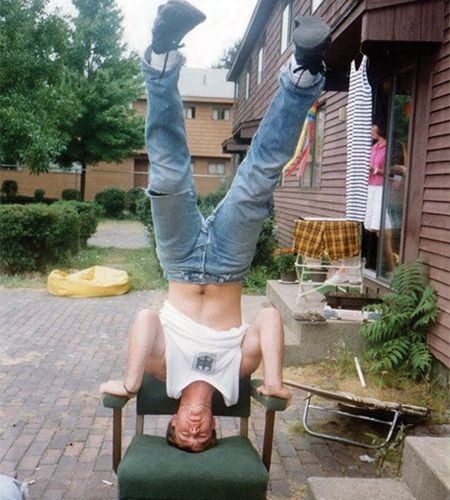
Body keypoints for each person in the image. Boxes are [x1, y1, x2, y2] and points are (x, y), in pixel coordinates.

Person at [100, 0, 330, 452]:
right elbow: (266, 318)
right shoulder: (235, 376)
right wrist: (275, 381)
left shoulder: (162, 375)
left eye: (183, 434)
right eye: (202, 436)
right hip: (228, 261)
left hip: (181, 261)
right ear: (213, 427)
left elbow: (147, 319)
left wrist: (130, 382)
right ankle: (304, 73)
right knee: (258, 178)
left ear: (173, 422)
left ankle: (162, 55)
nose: (194, 428)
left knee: (166, 173)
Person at [364, 123, 395, 273]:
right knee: (377, 228)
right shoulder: (374, 147)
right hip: (371, 187)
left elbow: (392, 170)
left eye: (372, 129)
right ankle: (390, 267)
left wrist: (374, 170)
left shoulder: (388, 147)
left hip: (382, 188)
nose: (370, 132)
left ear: (380, 130)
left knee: (381, 229)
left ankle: (391, 267)